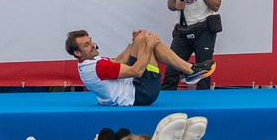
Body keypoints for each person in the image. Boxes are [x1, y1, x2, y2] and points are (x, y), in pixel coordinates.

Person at [63, 28, 207, 109]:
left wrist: (133, 41)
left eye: (91, 41)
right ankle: (189, 70)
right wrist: (149, 46)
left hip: (135, 88)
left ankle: (189, 71)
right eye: (87, 45)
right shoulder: (98, 67)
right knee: (147, 41)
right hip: (143, 94)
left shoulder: (87, 64)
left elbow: (120, 60)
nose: (93, 44)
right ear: (77, 53)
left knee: (141, 39)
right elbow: (137, 71)